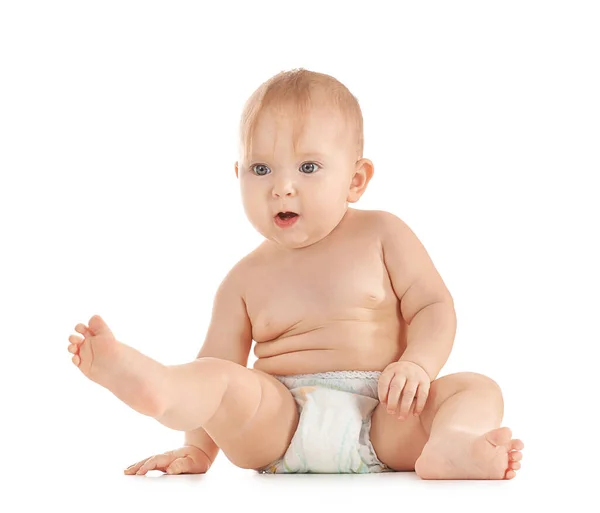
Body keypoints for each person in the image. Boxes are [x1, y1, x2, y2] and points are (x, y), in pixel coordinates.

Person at [67, 68, 524, 479]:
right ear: (238, 175)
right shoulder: (243, 279)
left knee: (476, 388)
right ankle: (161, 389)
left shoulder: (384, 233)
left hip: (387, 415)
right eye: (261, 168)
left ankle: (449, 443)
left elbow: (433, 306)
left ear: (356, 180)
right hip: (281, 425)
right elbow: (219, 370)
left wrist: (418, 364)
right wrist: (200, 450)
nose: (281, 186)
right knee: (218, 379)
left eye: (308, 167)